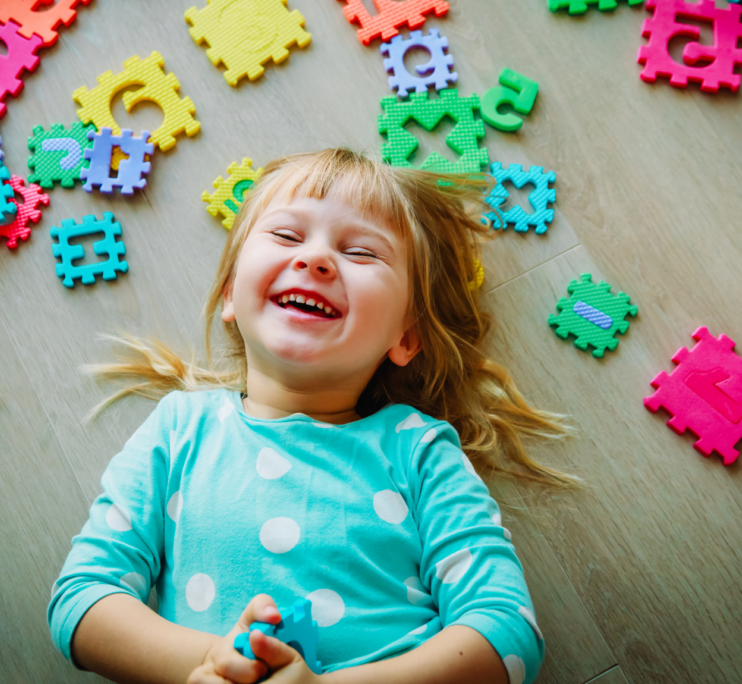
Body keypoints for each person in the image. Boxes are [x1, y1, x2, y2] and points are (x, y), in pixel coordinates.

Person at [47, 148, 579, 684]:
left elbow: (506, 633)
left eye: (362, 252)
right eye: (285, 236)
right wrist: (218, 665)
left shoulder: (418, 450)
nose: (316, 259)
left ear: (405, 336)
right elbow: (83, 598)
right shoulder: (180, 428)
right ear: (231, 292)